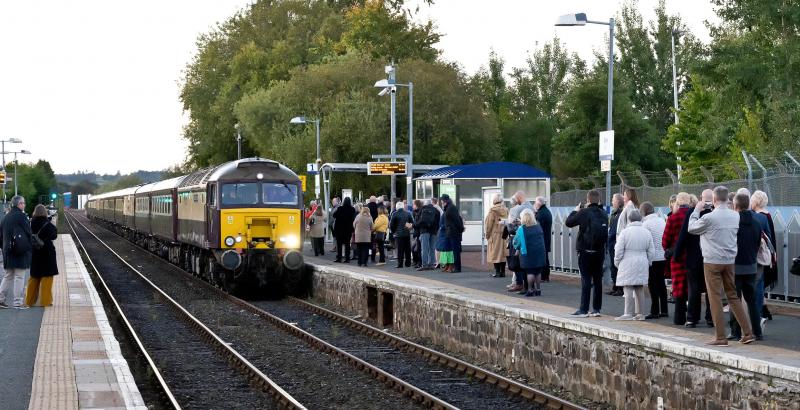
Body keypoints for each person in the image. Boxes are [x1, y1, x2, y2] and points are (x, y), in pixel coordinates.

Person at [688, 186, 755, 346]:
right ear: (728, 199)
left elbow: (691, 228)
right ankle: (747, 333)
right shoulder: (735, 216)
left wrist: (697, 210)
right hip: (729, 261)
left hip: (712, 261)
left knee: (715, 298)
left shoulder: (709, 217)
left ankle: (720, 337)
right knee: (733, 297)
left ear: (715, 199)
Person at [565, 189, 608, 317]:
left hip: (585, 250)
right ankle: (596, 309)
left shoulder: (583, 212)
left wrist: (575, 210)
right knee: (597, 280)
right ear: (599, 200)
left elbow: (569, 222)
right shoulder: (604, 213)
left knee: (586, 279)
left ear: (588, 200)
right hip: (599, 251)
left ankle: (583, 309)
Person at [675, 189, 714, 327]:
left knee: (694, 289)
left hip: (693, 256)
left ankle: (692, 318)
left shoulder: (692, 212)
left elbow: (684, 234)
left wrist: (677, 254)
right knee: (711, 289)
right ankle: (711, 317)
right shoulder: (715, 213)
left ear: (701, 199)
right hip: (710, 257)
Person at [728, 193, 763, 340]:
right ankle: (757, 331)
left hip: (736, 266)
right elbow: (757, 244)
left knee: (734, 299)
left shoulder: (733, 223)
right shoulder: (756, 222)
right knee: (752, 300)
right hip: (751, 266)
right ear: (748, 204)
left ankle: (735, 332)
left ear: (735, 206)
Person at [614, 210, 654, 320]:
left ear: (629, 219)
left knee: (628, 287)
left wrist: (617, 262)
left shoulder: (625, 232)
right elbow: (651, 250)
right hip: (642, 260)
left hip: (627, 260)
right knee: (639, 287)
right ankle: (640, 313)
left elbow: (618, 249)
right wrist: (648, 261)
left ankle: (628, 313)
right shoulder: (646, 232)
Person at [663, 192, 692, 325]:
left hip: (677, 257)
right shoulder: (694, 216)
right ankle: (693, 317)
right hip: (693, 256)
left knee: (679, 286)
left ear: (677, 203)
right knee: (693, 286)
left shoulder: (673, 218)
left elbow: (665, 241)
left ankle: (679, 318)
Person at [0, 196, 33, 309]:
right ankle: (17, 302)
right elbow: (29, 232)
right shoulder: (21, 216)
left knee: (8, 275)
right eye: (23, 203)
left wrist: (4, 248)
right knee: (19, 276)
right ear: (19, 204)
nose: (24, 205)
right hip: (19, 251)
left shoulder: (6, 217)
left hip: (7, 252)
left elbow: (1, 236)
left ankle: (0, 299)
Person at [751, 190, 776, 325]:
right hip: (765, 255)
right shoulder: (767, 215)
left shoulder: (758, 217)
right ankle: (760, 311)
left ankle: (758, 313)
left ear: (756, 201)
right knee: (759, 283)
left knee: (758, 284)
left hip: (757, 255)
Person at [25, 205, 58, 307]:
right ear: (45, 212)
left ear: (35, 212)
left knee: (34, 277)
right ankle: (45, 301)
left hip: (35, 252)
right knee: (47, 277)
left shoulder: (30, 223)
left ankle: (29, 301)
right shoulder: (47, 223)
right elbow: (54, 235)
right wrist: (50, 221)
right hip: (47, 252)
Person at [640, 202, 668, 319]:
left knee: (652, 285)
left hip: (653, 258)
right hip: (663, 256)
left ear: (644, 212)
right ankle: (664, 310)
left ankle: (654, 311)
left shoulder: (646, 224)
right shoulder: (661, 221)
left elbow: (645, 242)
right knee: (661, 284)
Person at [512, 209, 546, 297]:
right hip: (539, 251)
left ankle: (530, 289)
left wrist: (516, 248)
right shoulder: (538, 226)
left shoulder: (521, 229)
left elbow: (516, 242)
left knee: (530, 272)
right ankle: (538, 289)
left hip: (528, 252)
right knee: (538, 271)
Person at [484, 193, 508, 278]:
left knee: (495, 253)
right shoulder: (506, 210)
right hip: (504, 234)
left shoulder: (492, 210)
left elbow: (489, 225)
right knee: (503, 253)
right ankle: (503, 272)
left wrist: (487, 235)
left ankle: (497, 272)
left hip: (495, 234)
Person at [606, 193, 624, 296]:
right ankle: (615, 286)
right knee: (613, 266)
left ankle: (620, 288)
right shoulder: (614, 213)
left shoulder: (620, 214)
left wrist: (609, 236)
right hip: (612, 243)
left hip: (615, 243)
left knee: (617, 266)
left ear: (618, 201)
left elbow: (614, 231)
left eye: (613, 200)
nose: (612, 202)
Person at [441, 194, 464, 273]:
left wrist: (461, 229)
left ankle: (457, 268)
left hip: (454, 232)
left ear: (445, 201)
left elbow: (457, 220)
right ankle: (451, 266)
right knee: (450, 249)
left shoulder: (451, 208)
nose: (441, 202)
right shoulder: (448, 208)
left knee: (455, 251)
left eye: (442, 200)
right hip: (450, 232)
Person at [416, 199, 440, 271]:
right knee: (432, 248)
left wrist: (415, 225)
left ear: (425, 204)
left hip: (424, 231)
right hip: (433, 231)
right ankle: (431, 264)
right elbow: (438, 222)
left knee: (424, 248)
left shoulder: (423, 209)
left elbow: (418, 220)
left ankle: (424, 265)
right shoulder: (437, 211)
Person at [389, 201, 413, 268]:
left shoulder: (394, 214)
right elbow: (412, 222)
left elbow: (391, 225)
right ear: (403, 207)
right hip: (407, 233)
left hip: (398, 235)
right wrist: (408, 227)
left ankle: (400, 264)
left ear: (396, 207)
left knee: (400, 250)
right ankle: (408, 263)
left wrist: (393, 232)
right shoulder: (408, 213)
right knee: (407, 249)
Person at [534, 196, 552, 282]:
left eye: (535, 203)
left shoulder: (541, 213)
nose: (534, 204)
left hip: (542, 239)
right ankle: (545, 276)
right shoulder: (546, 211)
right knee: (545, 258)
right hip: (546, 238)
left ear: (539, 203)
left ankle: (544, 276)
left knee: (542, 258)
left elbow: (537, 227)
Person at [332, 197, 356, 263]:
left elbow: (334, 215)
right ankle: (347, 258)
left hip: (339, 229)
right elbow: (353, 218)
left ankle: (339, 258)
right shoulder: (352, 209)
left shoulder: (340, 208)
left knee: (339, 244)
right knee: (347, 244)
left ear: (344, 201)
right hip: (348, 229)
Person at [411, 200, 423, 269]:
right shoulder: (415, 212)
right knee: (415, 248)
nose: (413, 206)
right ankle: (417, 262)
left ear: (417, 205)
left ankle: (419, 262)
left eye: (414, 205)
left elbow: (417, 222)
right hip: (417, 232)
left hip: (418, 232)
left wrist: (412, 225)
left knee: (418, 248)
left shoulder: (419, 212)